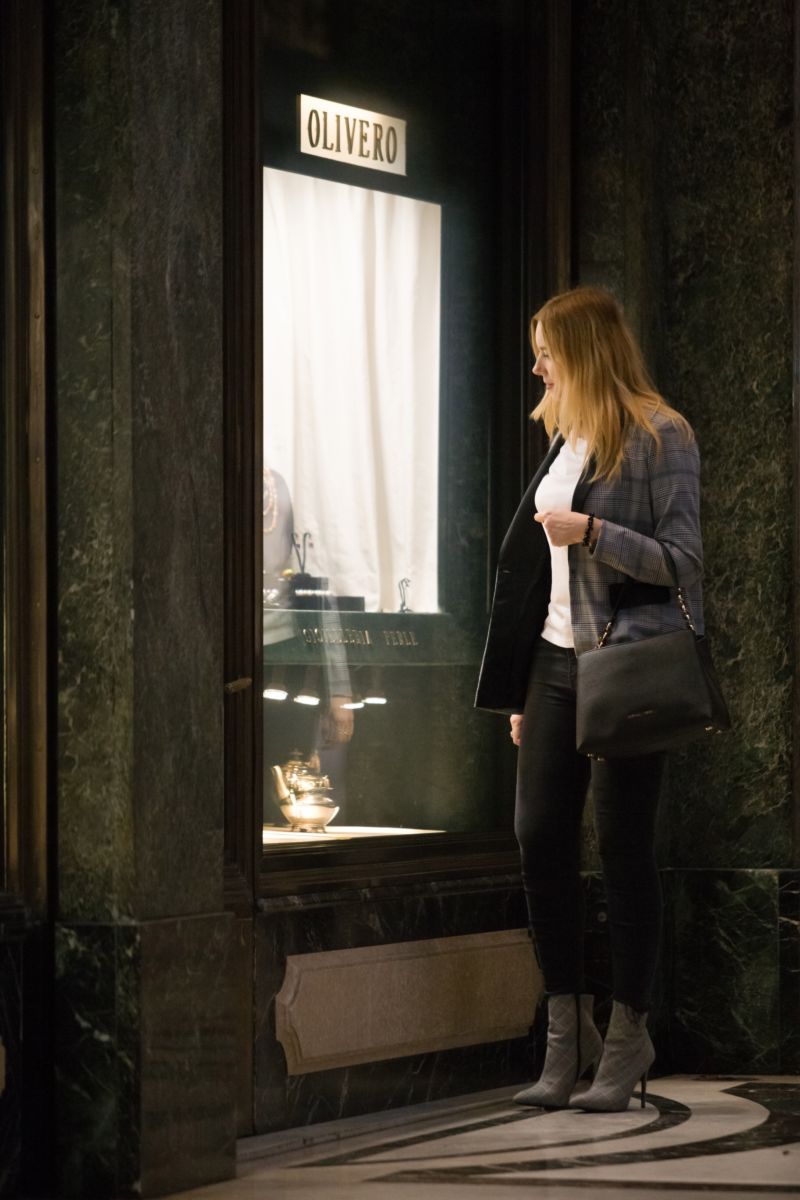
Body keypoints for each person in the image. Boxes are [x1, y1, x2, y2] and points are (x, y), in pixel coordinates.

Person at [475, 286, 702, 1112]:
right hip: (552, 661)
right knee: (539, 836)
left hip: (625, 665)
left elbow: (683, 562)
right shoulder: (563, 436)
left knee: (622, 847)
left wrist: (596, 534)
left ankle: (630, 1029)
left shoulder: (661, 435)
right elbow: (541, 572)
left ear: (584, 351)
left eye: (547, 352)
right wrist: (522, 690)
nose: (538, 366)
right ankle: (566, 1037)